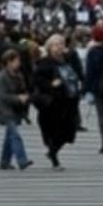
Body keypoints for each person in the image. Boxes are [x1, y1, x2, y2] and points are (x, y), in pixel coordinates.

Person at [32, 34, 81, 169]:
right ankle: (53, 156)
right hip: (53, 103)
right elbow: (36, 79)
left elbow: (73, 75)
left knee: (69, 132)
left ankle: (52, 152)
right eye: (56, 45)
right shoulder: (45, 62)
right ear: (49, 47)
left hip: (68, 101)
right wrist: (50, 84)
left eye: (61, 44)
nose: (60, 47)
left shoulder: (66, 60)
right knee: (55, 132)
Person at [0, 48, 34, 170]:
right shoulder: (1, 76)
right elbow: (2, 95)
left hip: (17, 110)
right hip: (6, 110)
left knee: (9, 136)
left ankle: (4, 161)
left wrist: (26, 96)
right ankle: (22, 160)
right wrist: (17, 98)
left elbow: (23, 89)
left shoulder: (18, 75)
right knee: (15, 135)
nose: (19, 63)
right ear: (9, 62)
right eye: (16, 61)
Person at [84, 24, 103, 147]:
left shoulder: (92, 52)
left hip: (97, 86)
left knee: (101, 113)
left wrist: (87, 88)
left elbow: (89, 71)